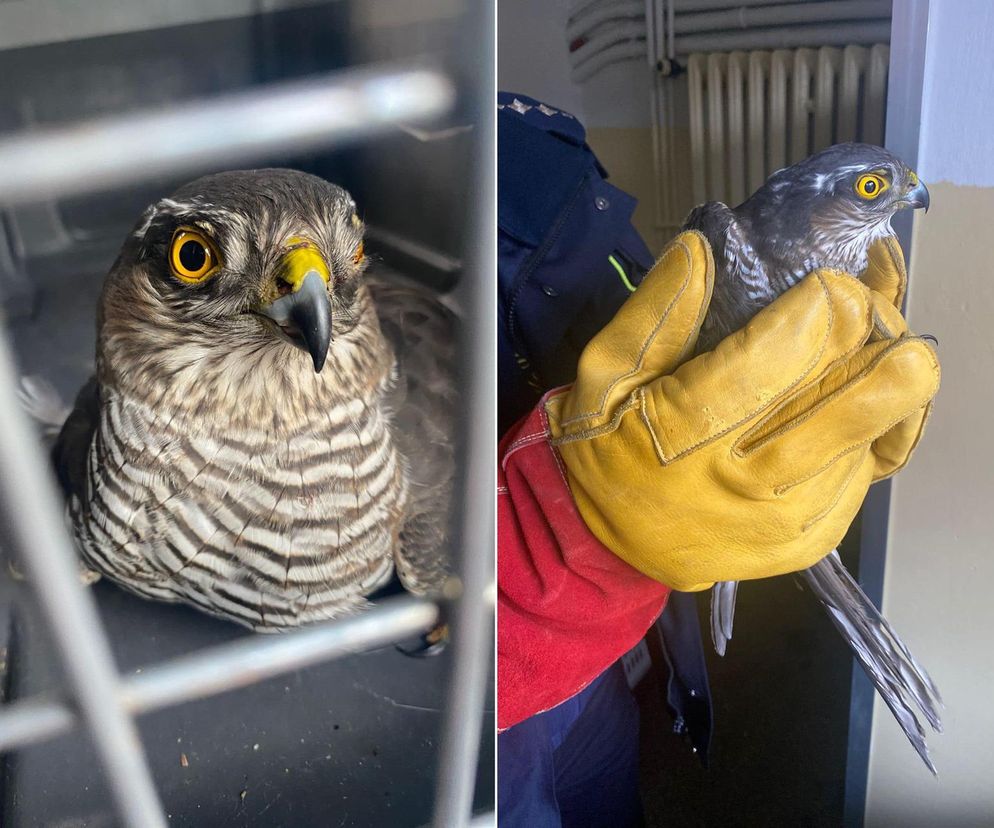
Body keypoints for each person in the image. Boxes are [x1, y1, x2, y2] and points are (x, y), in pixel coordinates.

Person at [496, 93, 940, 827]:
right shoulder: (729, 237)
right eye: (871, 189)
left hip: (607, 650)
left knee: (606, 783)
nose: (902, 197)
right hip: (503, 678)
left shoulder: (536, 139)